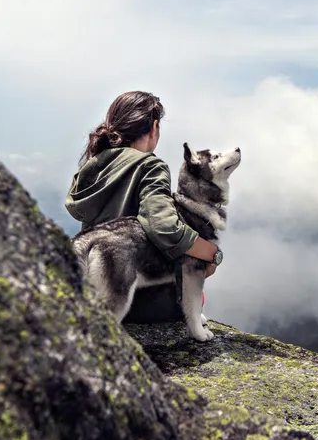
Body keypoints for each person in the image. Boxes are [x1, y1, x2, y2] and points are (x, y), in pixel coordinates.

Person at [64, 91, 219, 321]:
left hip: (96, 293)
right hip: (141, 302)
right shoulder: (150, 166)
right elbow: (163, 225)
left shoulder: (92, 166)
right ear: (154, 127)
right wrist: (211, 253)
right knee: (195, 292)